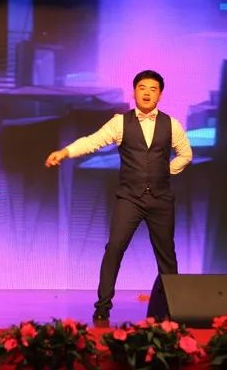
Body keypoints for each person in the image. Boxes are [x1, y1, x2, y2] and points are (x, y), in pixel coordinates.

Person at [45, 69, 192, 321]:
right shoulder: (120, 122)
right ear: (134, 92)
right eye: (142, 88)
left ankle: (171, 308)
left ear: (160, 95)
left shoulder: (171, 124)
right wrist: (65, 152)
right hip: (130, 198)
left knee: (167, 255)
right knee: (114, 248)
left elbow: (186, 154)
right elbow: (92, 141)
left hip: (161, 200)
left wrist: (165, 171)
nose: (147, 93)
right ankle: (103, 306)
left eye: (153, 89)